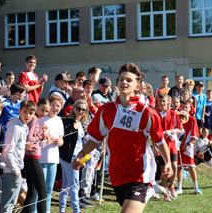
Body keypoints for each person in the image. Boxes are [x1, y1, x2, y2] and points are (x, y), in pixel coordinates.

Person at [73, 63, 172, 213]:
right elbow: (94, 138)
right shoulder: (106, 110)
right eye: (121, 79)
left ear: (137, 86)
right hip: (117, 173)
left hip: (140, 174)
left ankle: (150, 187)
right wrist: (81, 155)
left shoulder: (147, 113)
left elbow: (159, 141)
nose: (124, 82)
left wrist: (169, 163)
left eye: (129, 80)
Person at [0, 100, 36, 213]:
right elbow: (7, 152)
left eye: (31, 113)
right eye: (25, 112)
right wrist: (15, 170)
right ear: (19, 111)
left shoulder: (22, 126)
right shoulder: (16, 127)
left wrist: (24, 146)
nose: (27, 115)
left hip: (14, 168)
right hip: (10, 170)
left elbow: (15, 146)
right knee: (9, 204)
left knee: (11, 202)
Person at [59, 99, 89, 213]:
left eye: (83, 109)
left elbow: (81, 142)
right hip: (69, 157)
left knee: (66, 184)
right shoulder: (68, 121)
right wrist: (73, 127)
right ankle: (76, 210)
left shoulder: (81, 124)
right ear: (74, 108)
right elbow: (64, 137)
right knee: (74, 185)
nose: (80, 111)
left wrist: (82, 158)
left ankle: (62, 209)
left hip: (77, 157)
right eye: (78, 108)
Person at [22, 99, 51, 213]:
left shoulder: (39, 120)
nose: (44, 113)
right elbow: (29, 139)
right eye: (42, 110)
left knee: (32, 192)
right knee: (42, 192)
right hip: (31, 157)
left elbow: (40, 142)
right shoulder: (34, 118)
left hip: (33, 156)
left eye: (46, 111)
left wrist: (44, 137)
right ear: (37, 107)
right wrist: (41, 136)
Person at [40, 95, 64, 212]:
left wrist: (60, 142)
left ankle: (47, 210)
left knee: (49, 188)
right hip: (41, 157)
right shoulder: (42, 119)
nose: (55, 108)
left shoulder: (59, 120)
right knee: (40, 188)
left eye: (58, 106)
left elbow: (61, 140)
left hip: (53, 158)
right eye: (53, 105)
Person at [156, 93, 180, 201]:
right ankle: (165, 192)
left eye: (164, 101)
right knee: (164, 169)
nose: (162, 103)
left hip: (171, 144)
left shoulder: (173, 114)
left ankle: (172, 186)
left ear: (168, 103)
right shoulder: (156, 114)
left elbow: (179, 129)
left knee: (174, 166)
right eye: (160, 101)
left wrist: (170, 131)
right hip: (161, 145)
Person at [176, 102, 201, 195]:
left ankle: (196, 187)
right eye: (182, 107)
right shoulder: (177, 118)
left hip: (188, 147)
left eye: (186, 107)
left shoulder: (192, 119)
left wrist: (187, 144)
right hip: (178, 146)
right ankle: (179, 188)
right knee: (179, 167)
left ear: (190, 109)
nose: (184, 108)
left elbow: (195, 135)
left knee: (191, 166)